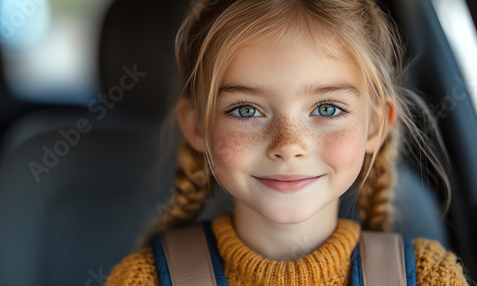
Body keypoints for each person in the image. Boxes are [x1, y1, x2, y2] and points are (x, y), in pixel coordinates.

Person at [105, 0, 471, 284]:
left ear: (375, 126)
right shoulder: (143, 279)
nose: (288, 144)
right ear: (198, 126)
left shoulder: (428, 277)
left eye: (327, 108)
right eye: (246, 110)